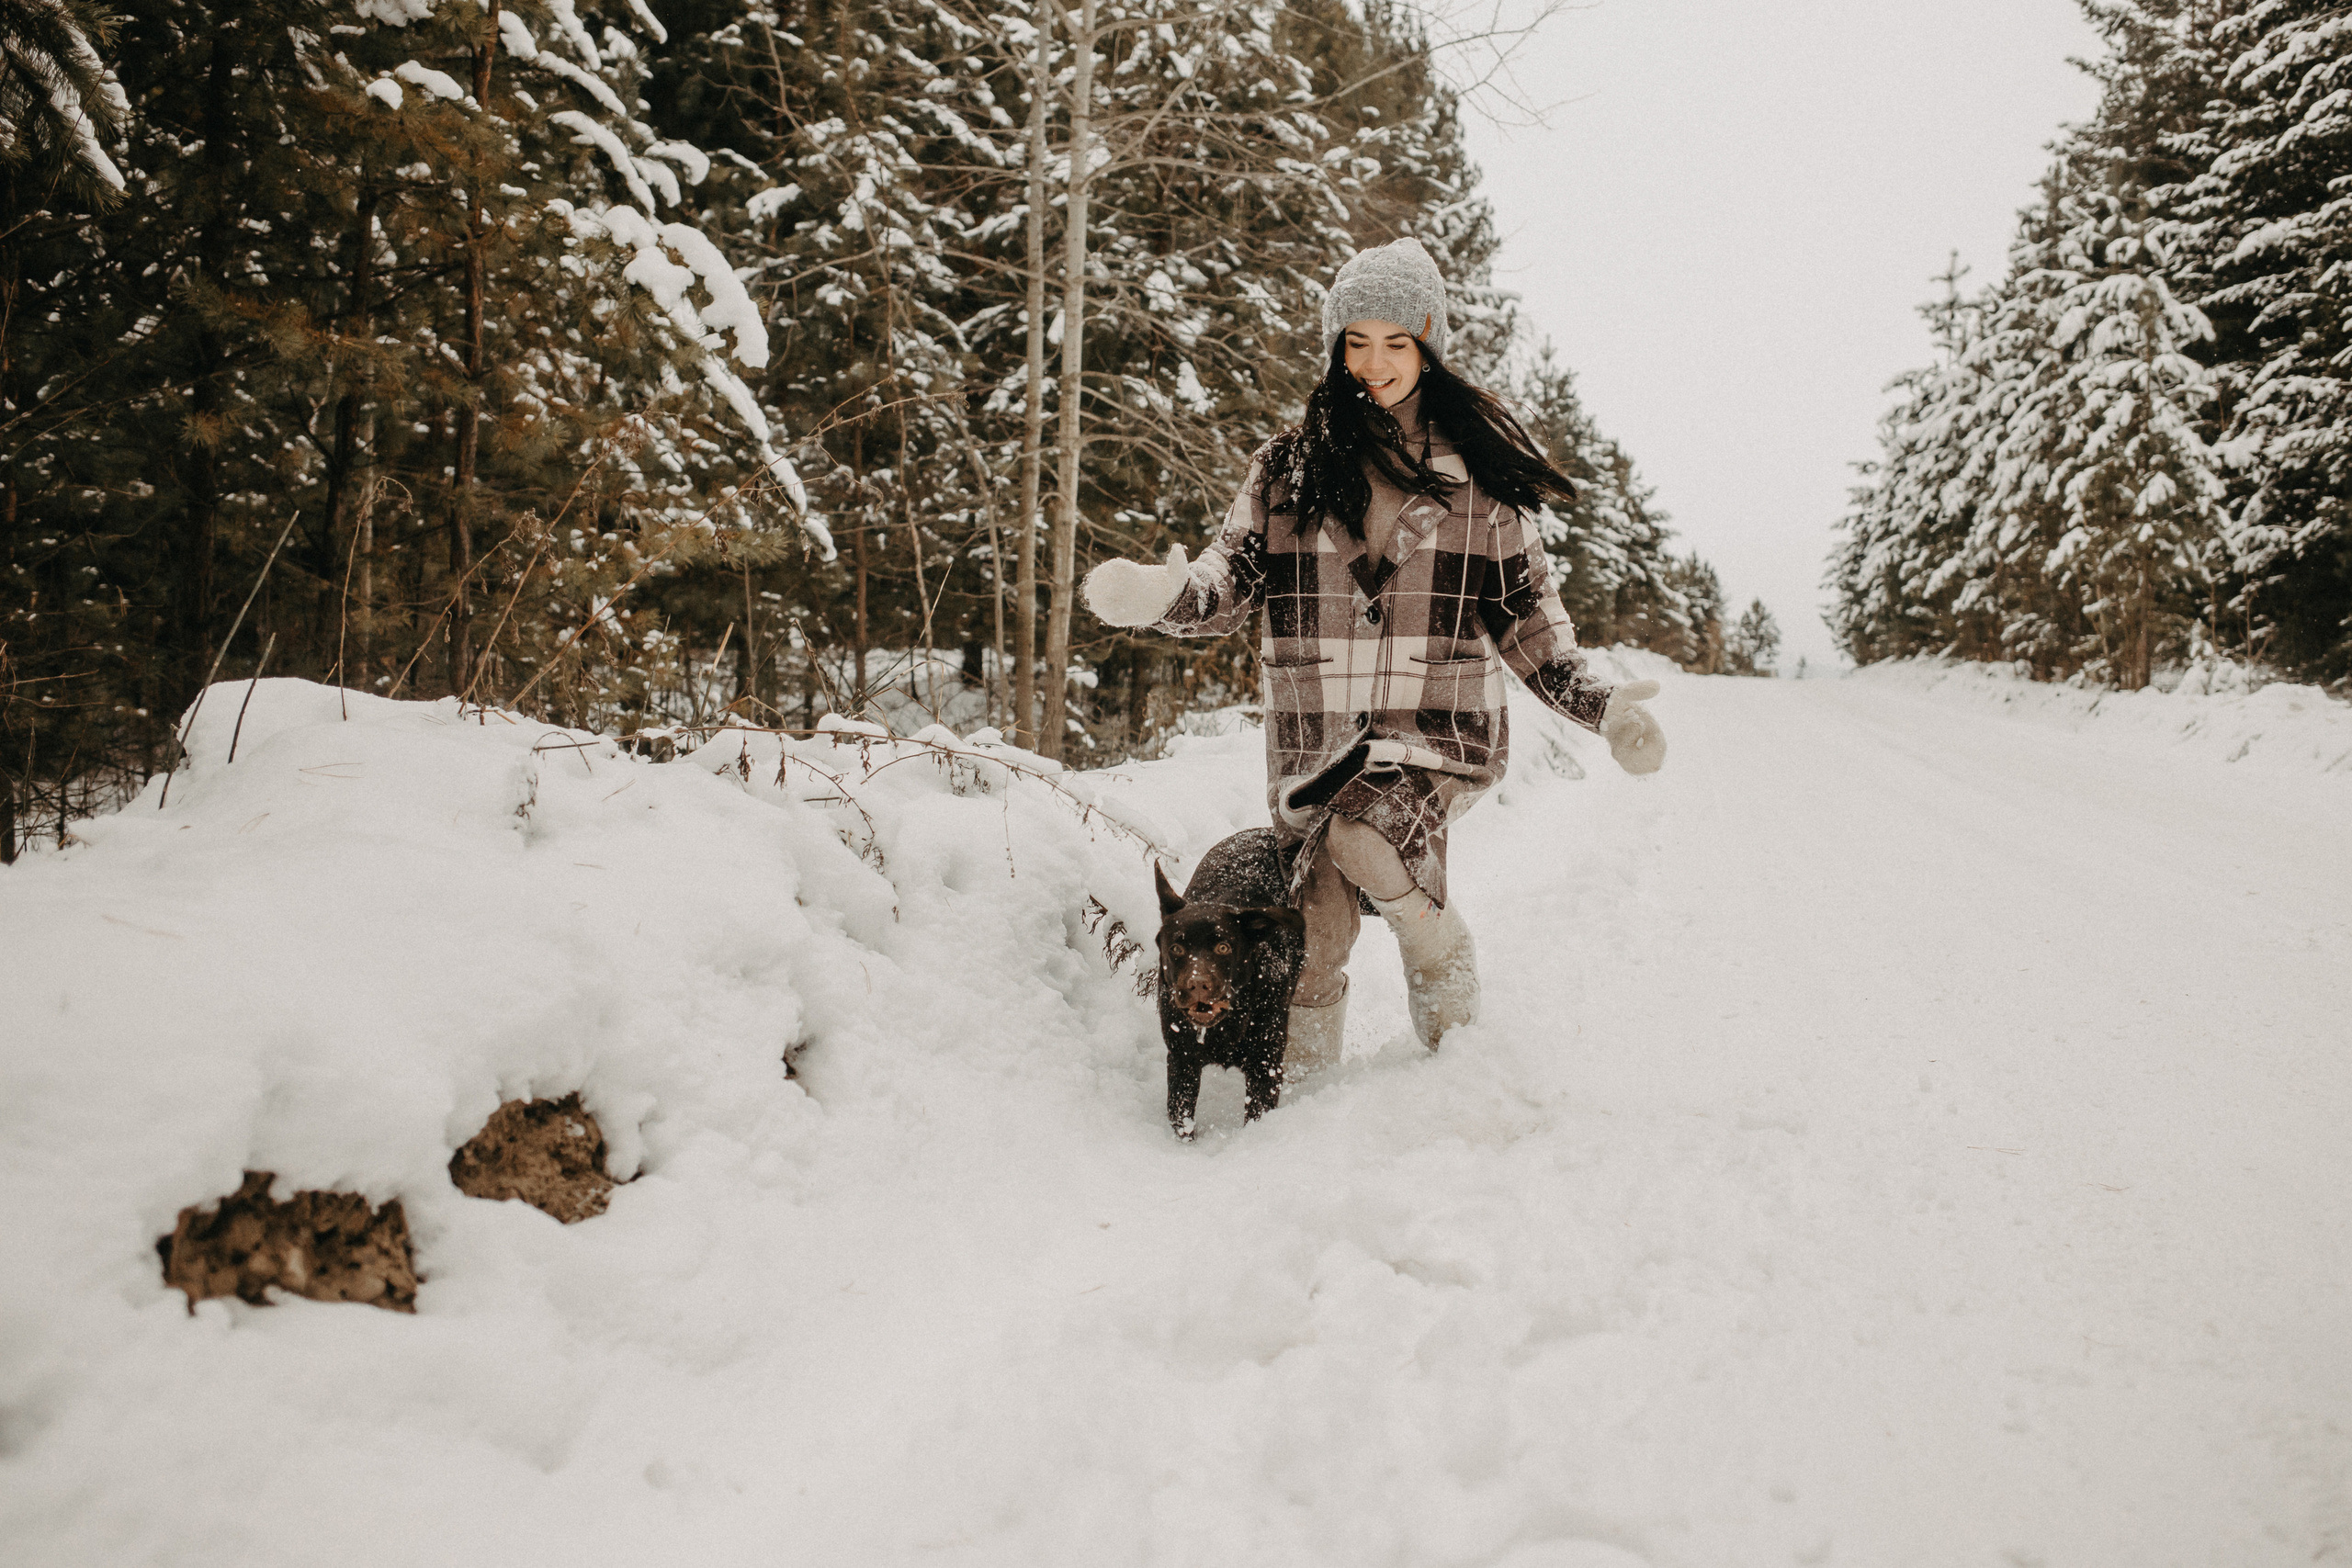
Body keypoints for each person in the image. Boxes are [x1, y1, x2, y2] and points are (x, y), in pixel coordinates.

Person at [1083, 237, 1666, 1072]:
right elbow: (1227, 578)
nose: (1375, 362)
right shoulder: (1286, 471)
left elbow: (1533, 627)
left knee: (1367, 835)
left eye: (1396, 342)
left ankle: (1448, 995)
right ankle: (1305, 1110)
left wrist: (1603, 709)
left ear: (1428, 342)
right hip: (1315, 748)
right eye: (1356, 341)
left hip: (1436, 735)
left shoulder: (1481, 490)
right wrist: (1161, 599)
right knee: (1309, 940)